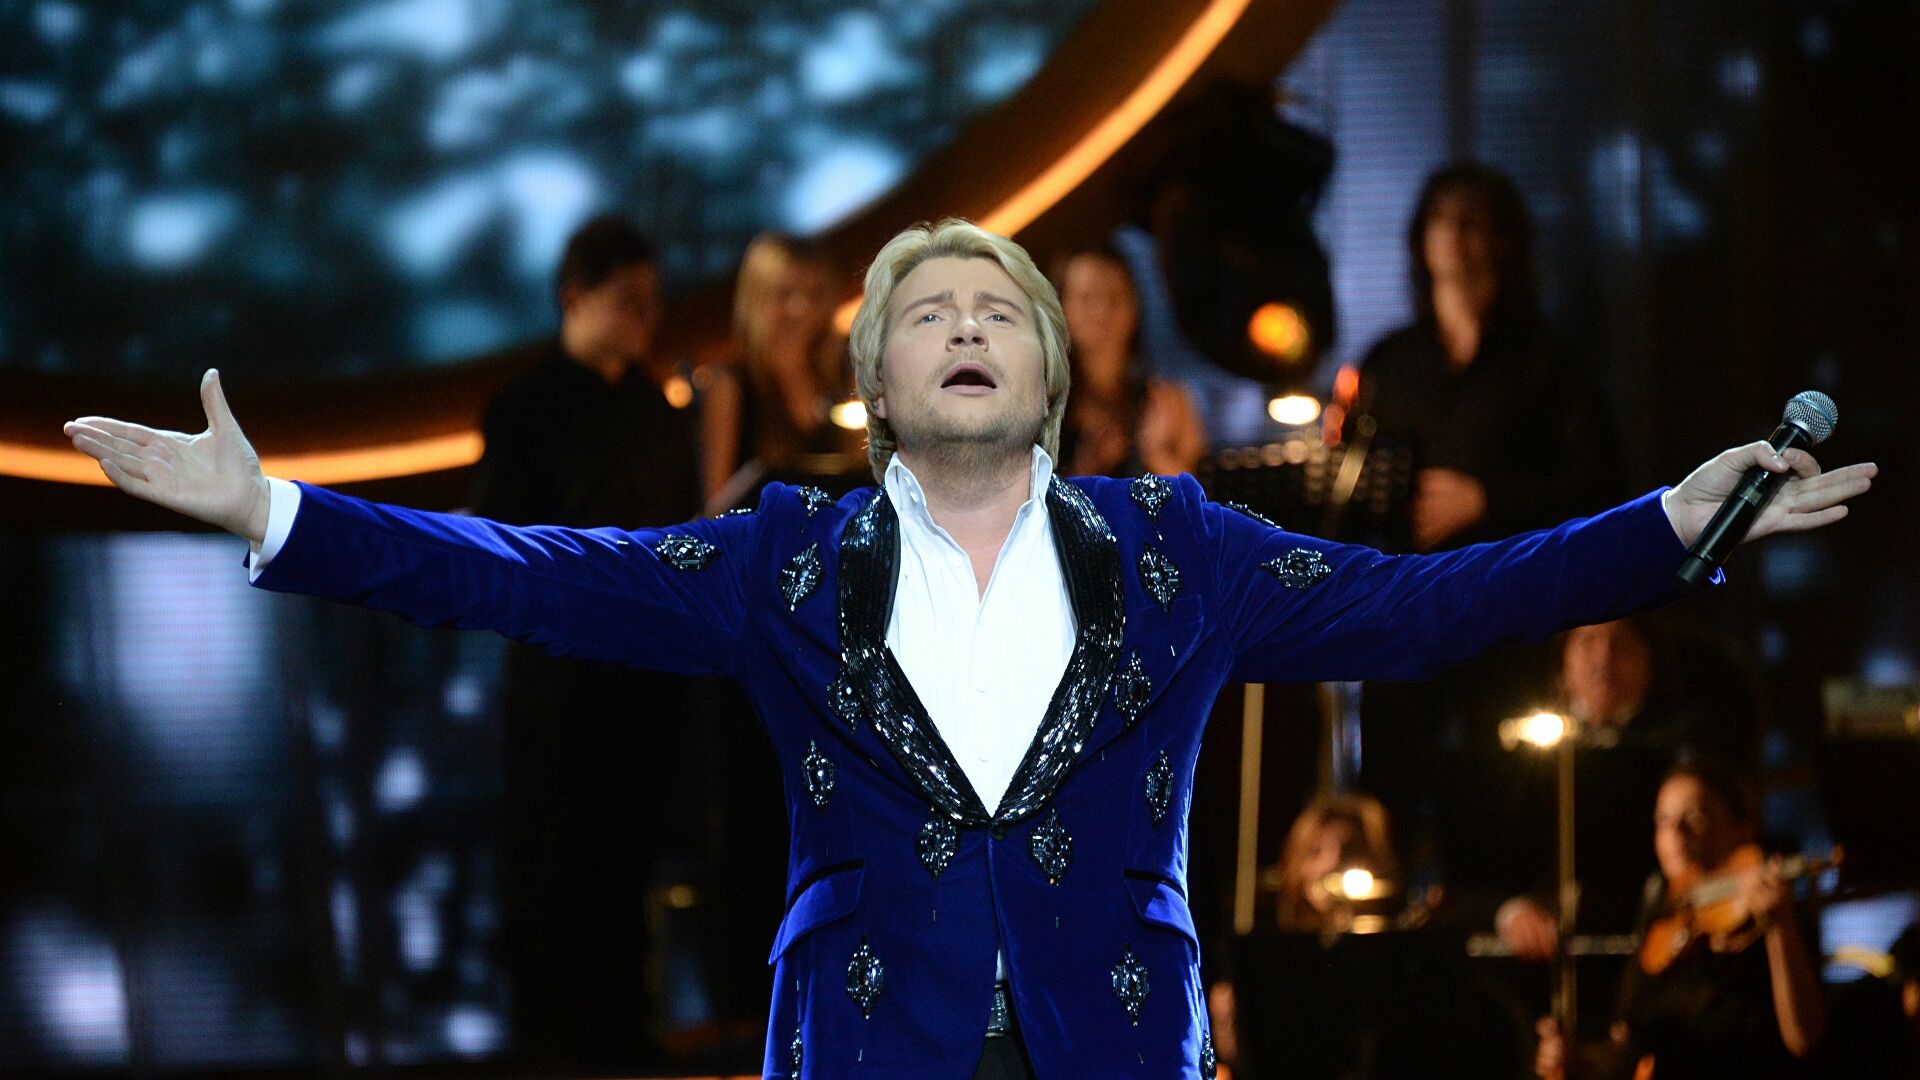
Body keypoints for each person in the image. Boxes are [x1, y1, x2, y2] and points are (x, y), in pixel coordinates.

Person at [62, 217, 1873, 1080]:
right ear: (874, 379)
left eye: (997, 306)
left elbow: (1433, 609)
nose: (963, 324)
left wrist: (1672, 521)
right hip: (866, 1048)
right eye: (923, 311)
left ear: (1052, 371)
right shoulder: (784, 562)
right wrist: (277, 510)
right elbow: (522, 571)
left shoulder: (1183, 551)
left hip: (1118, 1046)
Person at [464, 214, 708, 1069]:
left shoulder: (656, 410)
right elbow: (499, 544)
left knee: (626, 862)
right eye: (628, 301)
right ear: (575, 298)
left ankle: (623, 1034)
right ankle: (556, 1046)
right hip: (561, 686)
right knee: (553, 868)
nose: (646, 319)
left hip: (642, 681)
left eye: (653, 302)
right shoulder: (523, 410)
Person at [1347, 162, 1617, 553]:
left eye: (1470, 220)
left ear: (1504, 240)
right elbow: (1350, 476)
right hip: (1412, 575)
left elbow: (1601, 485)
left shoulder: (1549, 360)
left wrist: (1487, 501)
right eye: (1438, 218)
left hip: (1517, 571)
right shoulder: (1388, 360)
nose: (1452, 231)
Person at [1533, 762, 1828, 1079]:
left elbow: (1804, 1040)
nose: (1675, 833)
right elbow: (1631, 1048)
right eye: (1663, 820)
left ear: (1744, 828)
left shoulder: (1776, 917)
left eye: (1695, 817)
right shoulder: (1660, 911)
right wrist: (1578, 1060)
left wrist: (1779, 926)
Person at [700, 233, 865, 509]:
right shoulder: (733, 386)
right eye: (785, 294)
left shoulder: (846, 377)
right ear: (757, 299)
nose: (799, 309)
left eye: (814, 294)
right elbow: (718, 508)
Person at [1051, 242, 1206, 478]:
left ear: (1135, 305)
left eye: (1115, 297)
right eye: (1086, 298)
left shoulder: (1166, 401)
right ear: (1060, 308)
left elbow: (1196, 495)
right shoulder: (1041, 406)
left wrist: (1156, 453)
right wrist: (1089, 468)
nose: (1102, 311)